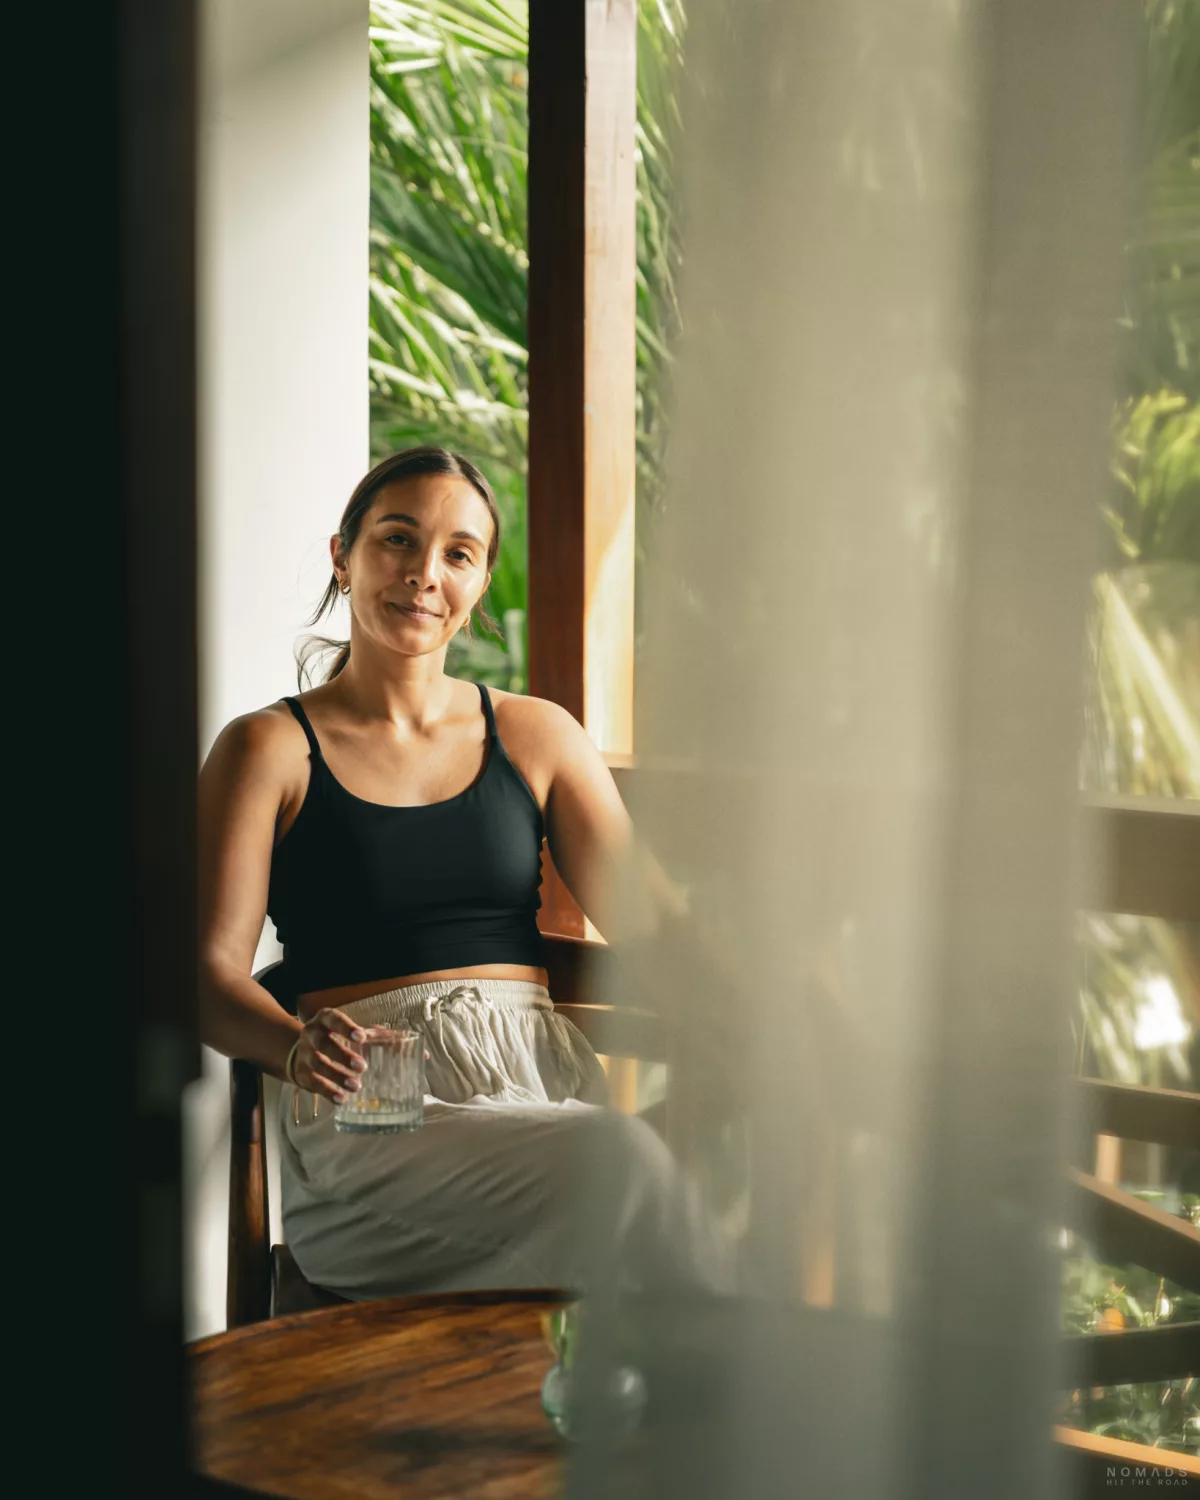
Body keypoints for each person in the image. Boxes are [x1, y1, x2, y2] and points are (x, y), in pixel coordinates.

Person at [198, 446, 730, 1300]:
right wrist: (296, 1051)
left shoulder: (538, 737)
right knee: (622, 1163)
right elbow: (205, 975)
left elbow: (660, 931)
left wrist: (783, 1032)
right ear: (344, 555)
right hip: (377, 1110)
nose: (422, 576)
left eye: (458, 553)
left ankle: (658, 1404)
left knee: (644, 1182)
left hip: (539, 1091)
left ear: (481, 583)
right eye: (397, 541)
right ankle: (742, 1405)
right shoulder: (268, 748)